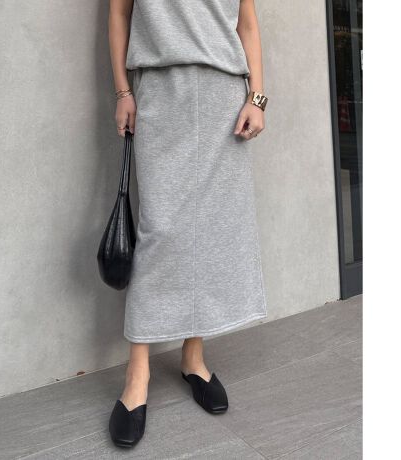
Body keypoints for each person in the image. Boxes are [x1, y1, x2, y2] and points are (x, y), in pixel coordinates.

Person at [107, 0, 268, 448]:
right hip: (161, 89)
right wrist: (123, 92)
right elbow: (119, 13)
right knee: (160, 233)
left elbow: (246, 22)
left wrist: (257, 97)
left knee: (210, 230)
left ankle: (193, 357)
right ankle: (137, 374)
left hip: (224, 95)